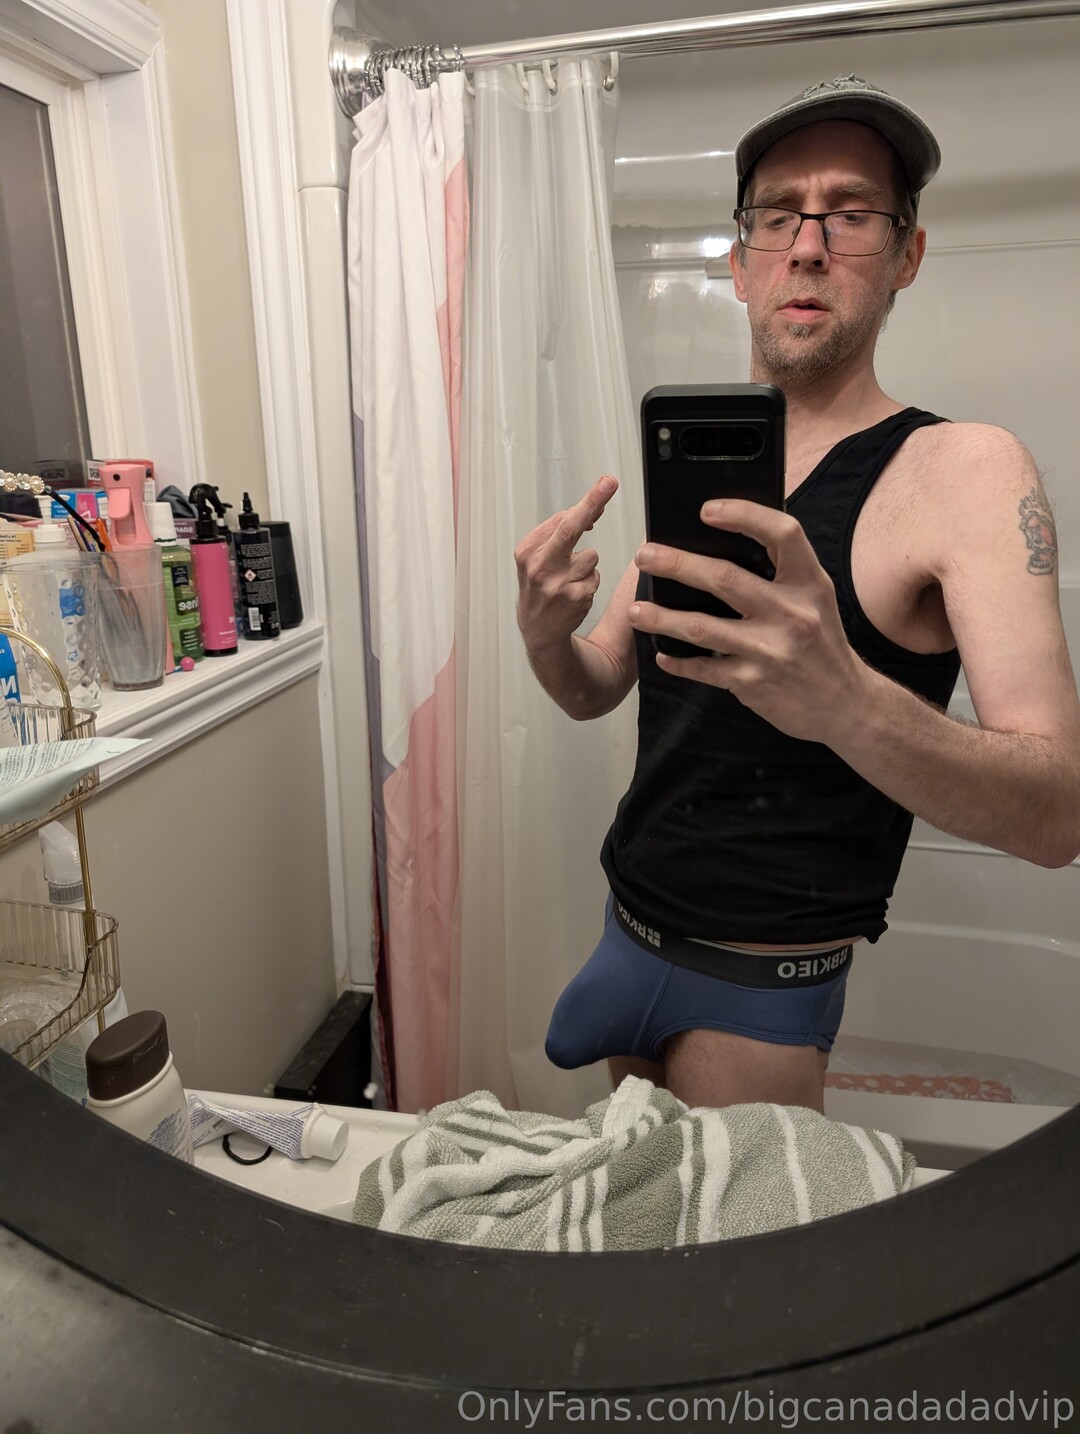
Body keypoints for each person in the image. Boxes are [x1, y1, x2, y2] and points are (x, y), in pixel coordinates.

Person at [513, 76, 1080, 1114]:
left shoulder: (964, 471)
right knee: (628, 1205)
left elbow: (1058, 814)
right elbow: (599, 685)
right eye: (779, 215)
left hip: (758, 990)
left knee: (725, 1227)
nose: (808, 246)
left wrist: (844, 698)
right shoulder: (699, 457)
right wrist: (547, 636)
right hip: (624, 928)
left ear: (907, 255)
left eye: (851, 214)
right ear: (740, 264)